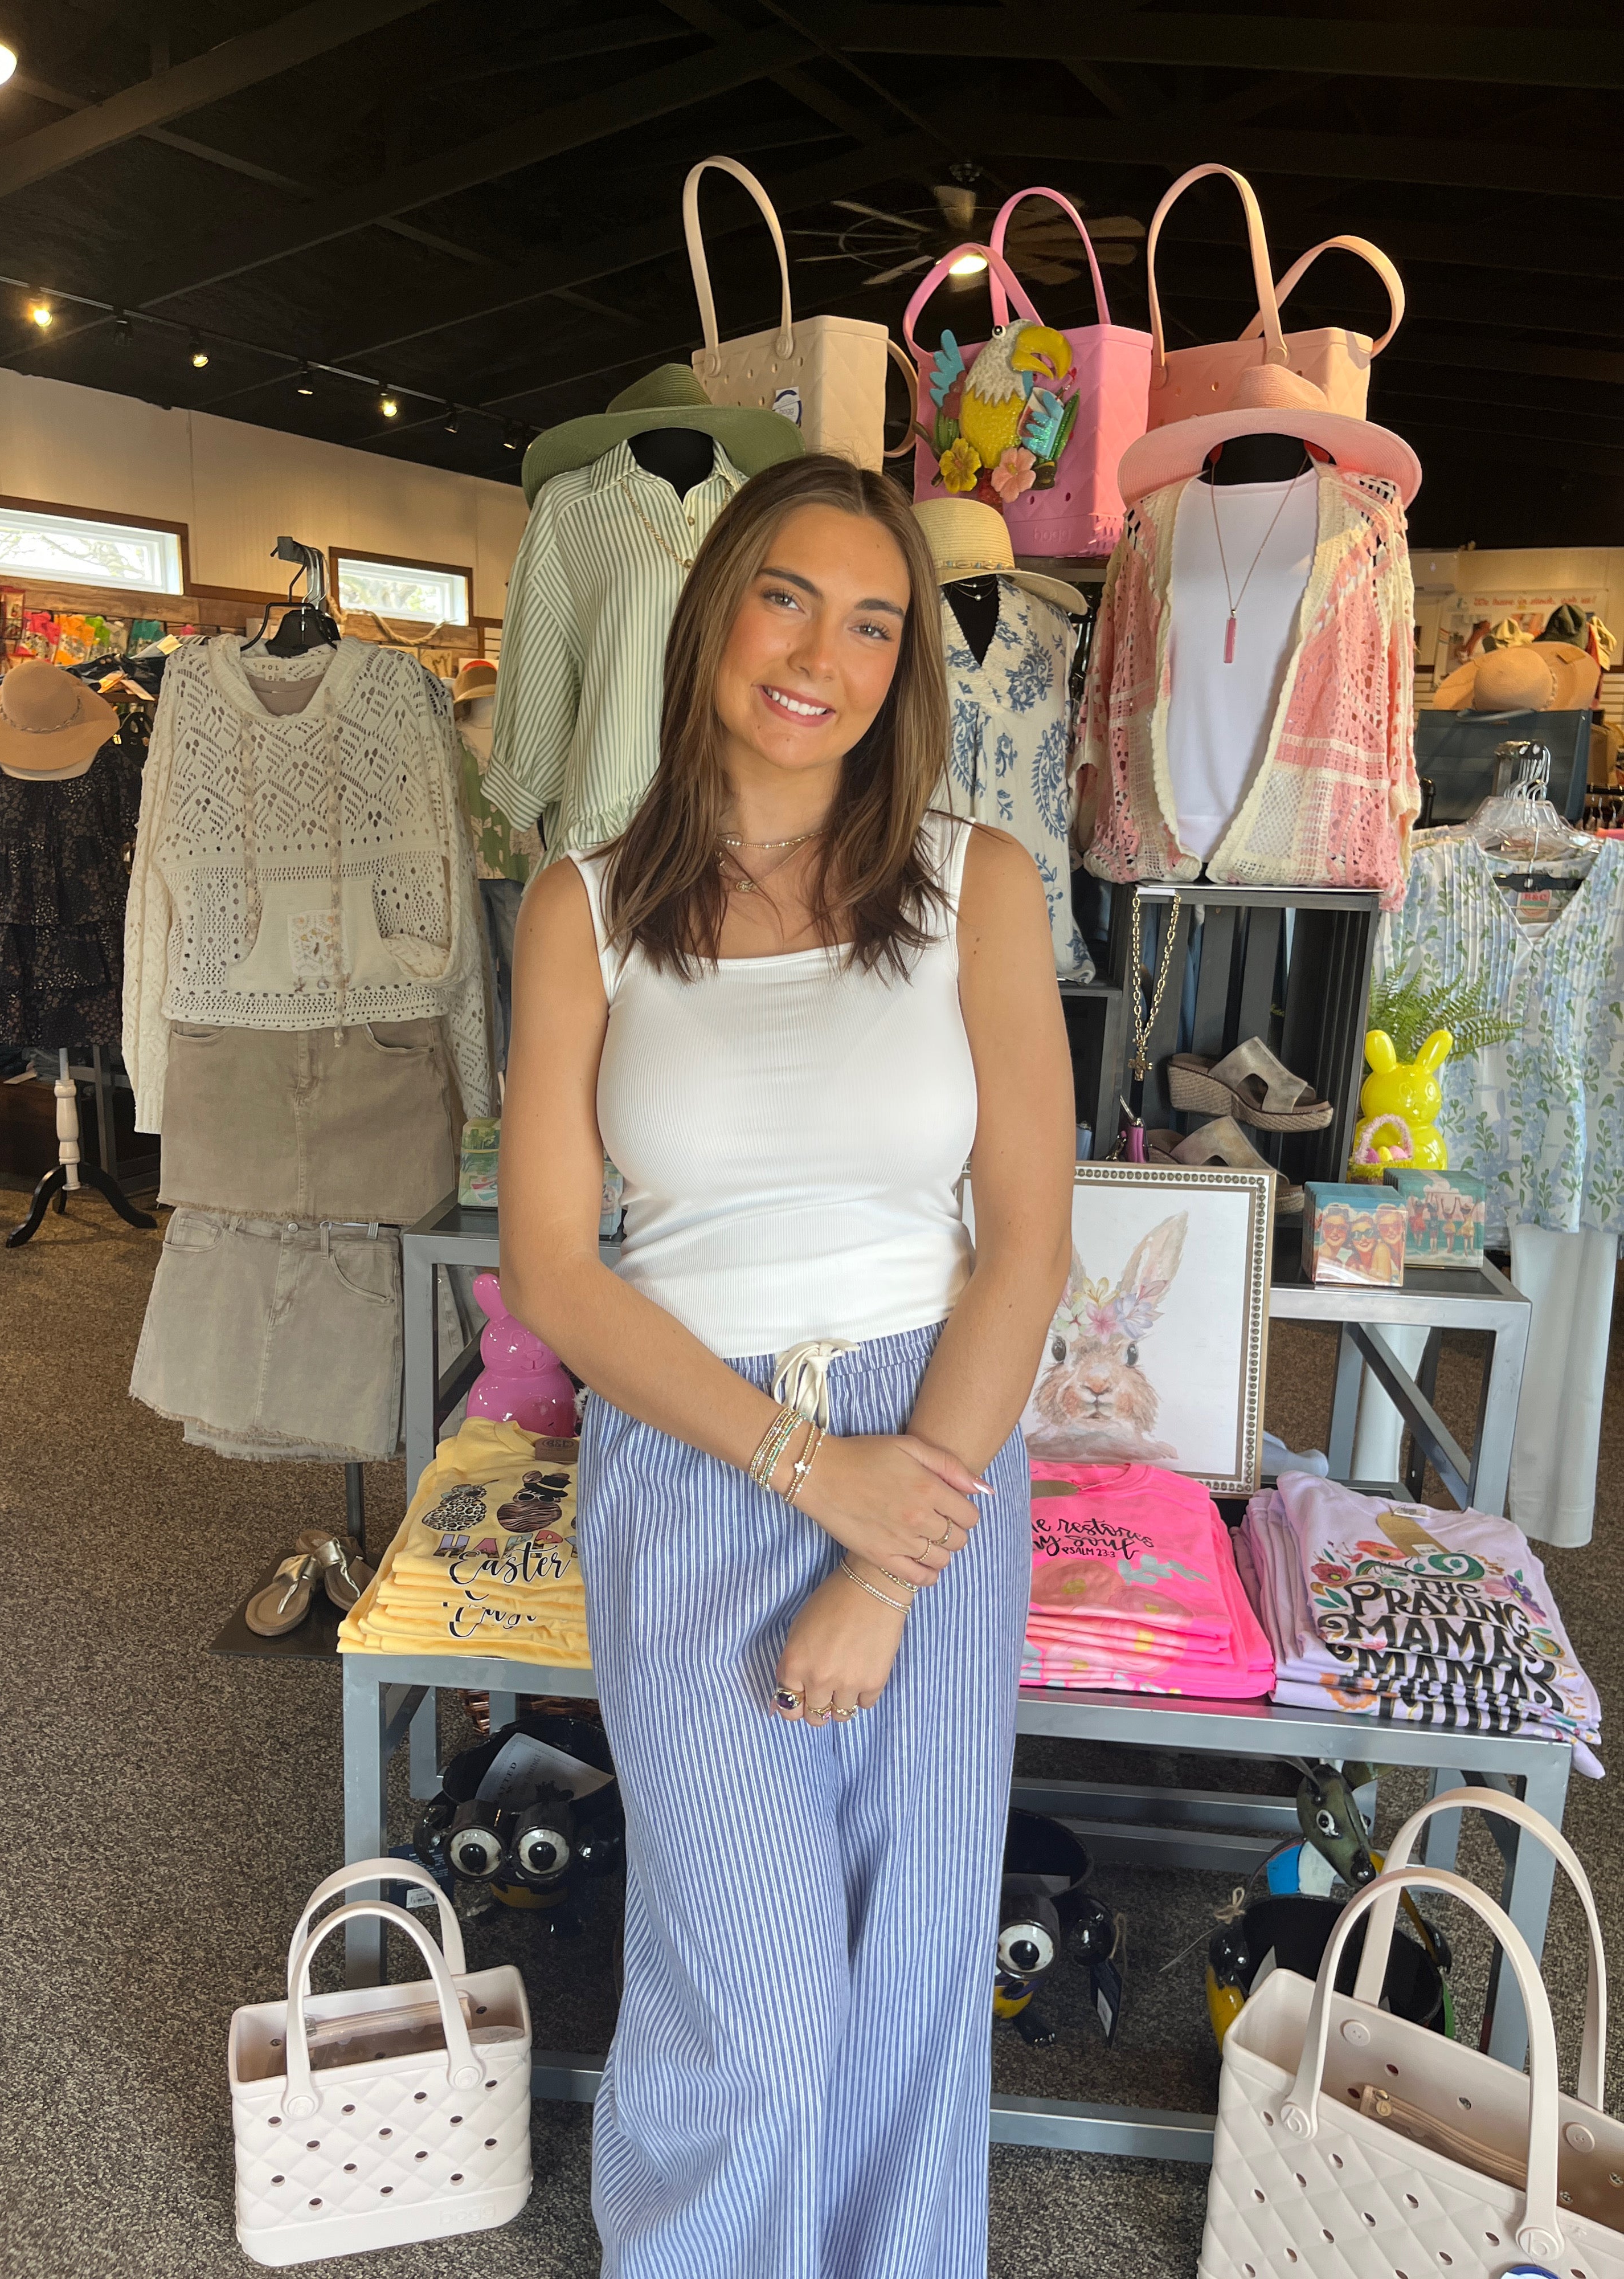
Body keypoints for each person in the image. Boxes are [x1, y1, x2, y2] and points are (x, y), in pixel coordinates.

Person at [499, 452, 1074, 2278]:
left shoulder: (978, 883)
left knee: (916, 1969)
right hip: (696, 1452)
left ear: (908, 667)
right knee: (747, 1994)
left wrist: (886, 1564)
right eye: (787, 598)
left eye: (876, 624)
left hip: (940, 1447)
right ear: (713, 617)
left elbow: (1026, 1246)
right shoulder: (584, 910)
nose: (824, 656)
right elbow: (553, 1269)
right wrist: (810, 1474)